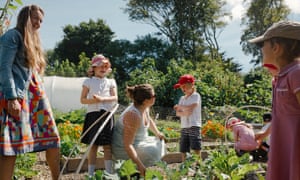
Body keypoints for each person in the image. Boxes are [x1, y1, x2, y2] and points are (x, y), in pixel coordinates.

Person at [0, 5, 60, 180]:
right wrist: (12, 98)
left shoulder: (32, 42)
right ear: (25, 17)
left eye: (41, 20)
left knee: (53, 138)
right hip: (16, 96)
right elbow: (3, 68)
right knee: (9, 147)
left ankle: (57, 177)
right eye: (35, 18)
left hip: (34, 97)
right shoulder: (13, 36)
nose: (38, 23)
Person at [249, 20, 300, 180]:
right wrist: (266, 132)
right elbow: (282, 114)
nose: (261, 50)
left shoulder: (296, 73)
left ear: (276, 48)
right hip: (282, 147)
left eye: (262, 45)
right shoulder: (279, 78)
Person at [112, 84, 165, 177]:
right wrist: (139, 165)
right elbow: (127, 145)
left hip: (138, 142)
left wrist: (158, 133)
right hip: (122, 149)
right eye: (154, 96)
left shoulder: (144, 107)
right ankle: (134, 168)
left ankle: (137, 170)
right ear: (145, 101)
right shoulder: (133, 115)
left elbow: (149, 120)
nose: (155, 97)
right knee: (152, 151)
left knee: (159, 142)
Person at [80, 54, 118, 176]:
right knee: (93, 145)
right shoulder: (88, 81)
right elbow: (83, 99)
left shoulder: (111, 82)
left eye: (105, 66)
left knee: (107, 145)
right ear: (93, 68)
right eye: (100, 66)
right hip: (93, 115)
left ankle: (108, 173)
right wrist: (94, 101)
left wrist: (102, 99)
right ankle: (91, 174)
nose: (103, 69)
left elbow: (115, 98)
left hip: (107, 115)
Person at [173, 74, 202, 161]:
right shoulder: (182, 98)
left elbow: (192, 106)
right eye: (181, 87)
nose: (183, 89)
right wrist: (184, 110)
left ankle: (199, 166)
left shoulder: (196, 95)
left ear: (191, 85)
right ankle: (184, 167)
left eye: (184, 86)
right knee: (183, 148)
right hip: (184, 126)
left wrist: (180, 108)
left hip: (194, 125)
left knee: (196, 147)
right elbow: (178, 113)